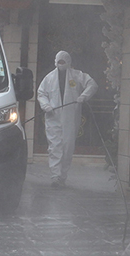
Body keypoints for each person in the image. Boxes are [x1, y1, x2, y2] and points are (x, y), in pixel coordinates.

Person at [36, 50, 98, 188]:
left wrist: (83, 96)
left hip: (70, 117)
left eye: (63, 62)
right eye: (59, 62)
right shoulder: (49, 78)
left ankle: (62, 176)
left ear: (69, 62)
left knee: (68, 147)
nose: (61, 64)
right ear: (55, 62)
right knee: (54, 147)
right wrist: (46, 105)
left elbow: (92, 84)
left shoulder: (77, 75)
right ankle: (55, 176)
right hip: (53, 117)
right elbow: (41, 93)